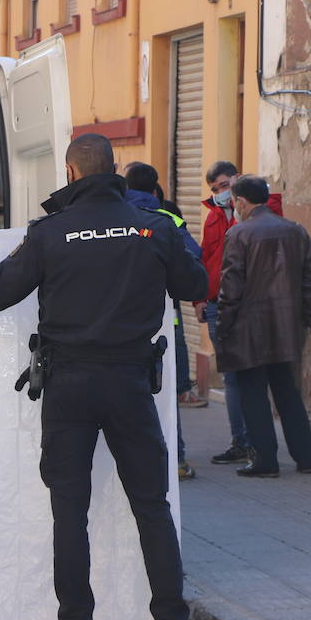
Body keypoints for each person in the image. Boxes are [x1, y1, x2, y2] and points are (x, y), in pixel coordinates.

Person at [0, 134, 208, 620]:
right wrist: (171, 243)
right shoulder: (153, 227)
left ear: (71, 172)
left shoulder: (51, 232)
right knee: (152, 508)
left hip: (69, 386)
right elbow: (195, 284)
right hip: (130, 383)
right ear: (115, 170)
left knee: (69, 512)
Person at [214, 175, 311, 478]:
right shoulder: (296, 230)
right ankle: (306, 458)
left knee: (253, 395)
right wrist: (306, 319)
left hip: (249, 329)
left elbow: (230, 288)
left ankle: (265, 461)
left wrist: (223, 326)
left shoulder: (239, 234)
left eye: (234, 201)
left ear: (241, 202)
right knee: (288, 392)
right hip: (287, 328)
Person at [193, 162, 284, 465]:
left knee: (255, 376)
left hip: (251, 304)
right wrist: (200, 299)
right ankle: (240, 442)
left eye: (224, 186)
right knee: (231, 377)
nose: (220, 193)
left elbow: (274, 221)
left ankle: (260, 445)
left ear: (236, 180)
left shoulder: (262, 211)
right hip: (219, 304)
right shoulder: (213, 218)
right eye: (215, 189)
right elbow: (206, 258)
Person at [123, 163, 205, 481]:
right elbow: (194, 261)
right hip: (164, 324)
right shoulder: (167, 220)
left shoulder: (113, 217)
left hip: (119, 321)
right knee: (166, 391)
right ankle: (177, 460)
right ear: (156, 189)